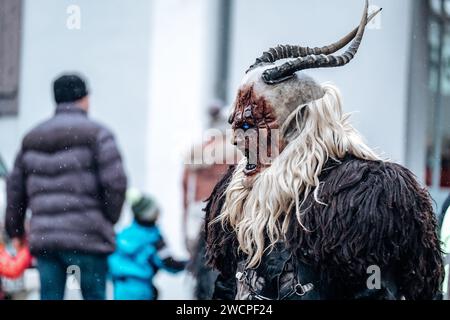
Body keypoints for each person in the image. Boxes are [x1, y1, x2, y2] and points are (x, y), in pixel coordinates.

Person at [205, 1, 444, 300]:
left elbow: (381, 290)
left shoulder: (366, 198)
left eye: (251, 125)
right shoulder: (236, 197)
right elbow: (227, 286)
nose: (237, 140)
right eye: (235, 124)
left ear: (296, 126)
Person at [5, 73, 127, 300]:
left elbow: (15, 191)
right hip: (89, 237)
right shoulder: (99, 134)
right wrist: (108, 218)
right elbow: (115, 183)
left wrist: (16, 231)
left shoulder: (32, 137)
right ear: (84, 98)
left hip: (46, 239)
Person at [109, 189, 187, 300]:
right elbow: (170, 264)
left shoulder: (122, 235)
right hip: (142, 291)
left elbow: (110, 263)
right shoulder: (154, 239)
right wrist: (192, 263)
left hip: (120, 289)